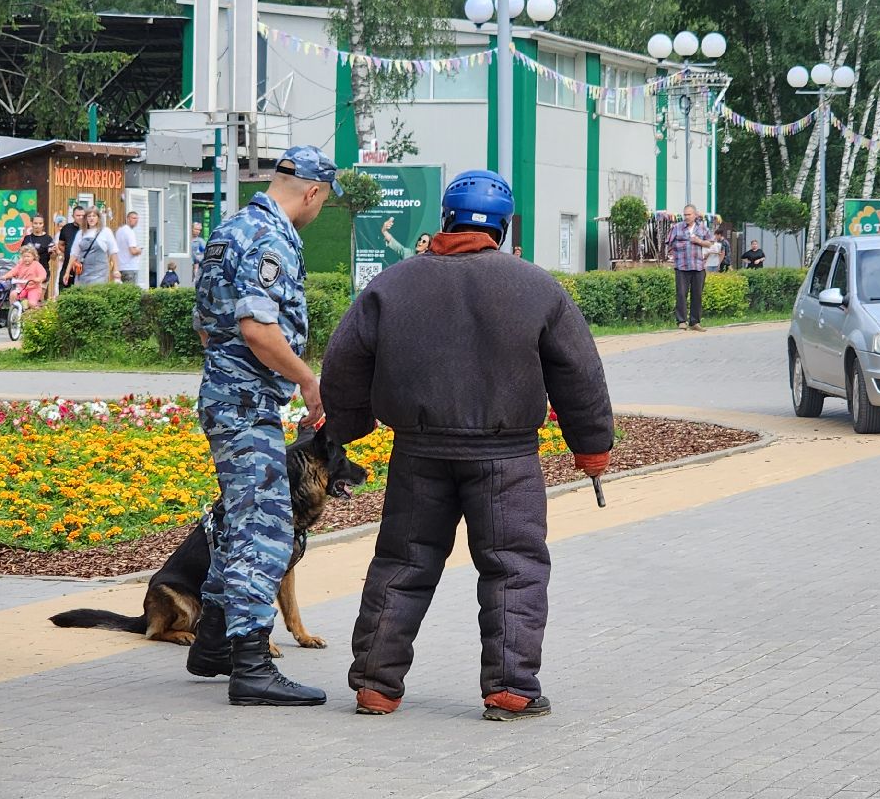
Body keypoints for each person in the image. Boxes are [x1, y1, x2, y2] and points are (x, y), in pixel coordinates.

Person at [321, 169, 615, 721]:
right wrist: (591, 448)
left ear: (445, 220)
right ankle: (510, 688)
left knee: (402, 564)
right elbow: (580, 373)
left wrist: (350, 423)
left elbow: (344, 359)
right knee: (514, 568)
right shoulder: (537, 287)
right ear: (503, 228)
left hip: (418, 453)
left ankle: (376, 687)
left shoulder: (393, 284)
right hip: (508, 460)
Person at [184, 145, 343, 708]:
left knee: (237, 524)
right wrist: (305, 378)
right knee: (267, 531)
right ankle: (251, 665)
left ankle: (210, 644)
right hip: (246, 406)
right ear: (313, 191)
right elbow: (257, 328)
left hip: (230, 398)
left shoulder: (230, 229)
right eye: (323, 202)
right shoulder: (270, 238)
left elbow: (207, 326)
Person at [667, 204, 713, 331]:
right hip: (682, 266)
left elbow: (710, 243)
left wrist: (699, 241)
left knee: (697, 294)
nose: (686, 217)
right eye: (685, 214)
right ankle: (681, 321)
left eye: (689, 214)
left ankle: (695, 322)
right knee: (681, 294)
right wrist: (674, 255)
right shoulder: (676, 227)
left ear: (695, 215)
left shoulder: (703, 228)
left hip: (698, 266)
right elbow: (669, 244)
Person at [69, 208, 118, 286]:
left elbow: (113, 251)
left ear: (98, 218)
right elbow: (74, 254)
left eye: (94, 216)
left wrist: (116, 270)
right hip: (82, 274)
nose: (91, 218)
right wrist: (67, 272)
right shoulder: (81, 233)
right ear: (86, 219)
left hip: (100, 274)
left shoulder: (106, 231)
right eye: (89, 216)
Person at [55, 208, 85, 293]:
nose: (81, 217)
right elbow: (60, 245)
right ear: (73, 216)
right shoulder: (66, 228)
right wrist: (70, 253)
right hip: (67, 265)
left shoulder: (89, 229)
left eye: (83, 215)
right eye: (78, 215)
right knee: (63, 291)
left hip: (83, 268)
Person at [115, 210, 144, 285]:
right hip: (130, 267)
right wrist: (139, 250)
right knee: (131, 293)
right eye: (134, 218)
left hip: (121, 267)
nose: (136, 220)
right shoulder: (130, 232)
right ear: (127, 219)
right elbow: (133, 251)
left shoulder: (119, 230)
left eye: (137, 219)